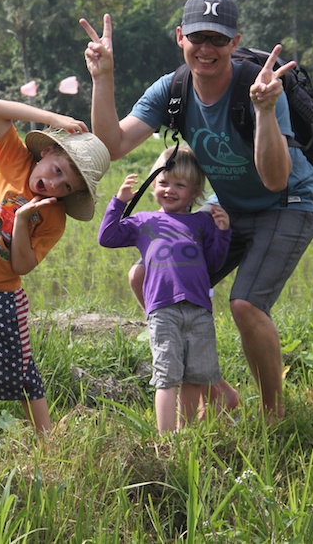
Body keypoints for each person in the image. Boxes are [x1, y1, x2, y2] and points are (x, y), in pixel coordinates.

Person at [81, 0, 313, 420]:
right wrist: (102, 78)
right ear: (180, 38)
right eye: (198, 37)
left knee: (246, 304)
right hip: (229, 208)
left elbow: (275, 177)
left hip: (288, 202)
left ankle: (274, 416)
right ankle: (218, 389)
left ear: (234, 42)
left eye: (217, 39)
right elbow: (112, 144)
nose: (206, 49)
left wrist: (266, 110)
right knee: (146, 275)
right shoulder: (172, 90)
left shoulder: (261, 87)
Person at [0, 99, 111, 450]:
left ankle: (47, 444)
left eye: (67, 187)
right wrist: (55, 118)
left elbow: (22, 266)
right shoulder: (13, 158)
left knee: (19, 368)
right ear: (46, 154)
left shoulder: (53, 219)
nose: (54, 186)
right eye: (57, 171)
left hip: (2, 297)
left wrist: (25, 221)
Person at [98, 145, 234, 433]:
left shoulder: (201, 222)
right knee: (166, 376)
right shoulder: (144, 221)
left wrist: (222, 233)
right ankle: (166, 440)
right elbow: (107, 237)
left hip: (198, 309)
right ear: (153, 184)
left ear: (196, 192)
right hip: (163, 310)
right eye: (162, 183)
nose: (169, 190)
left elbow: (212, 264)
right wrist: (119, 203)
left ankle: (186, 435)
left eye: (179, 185)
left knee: (194, 378)